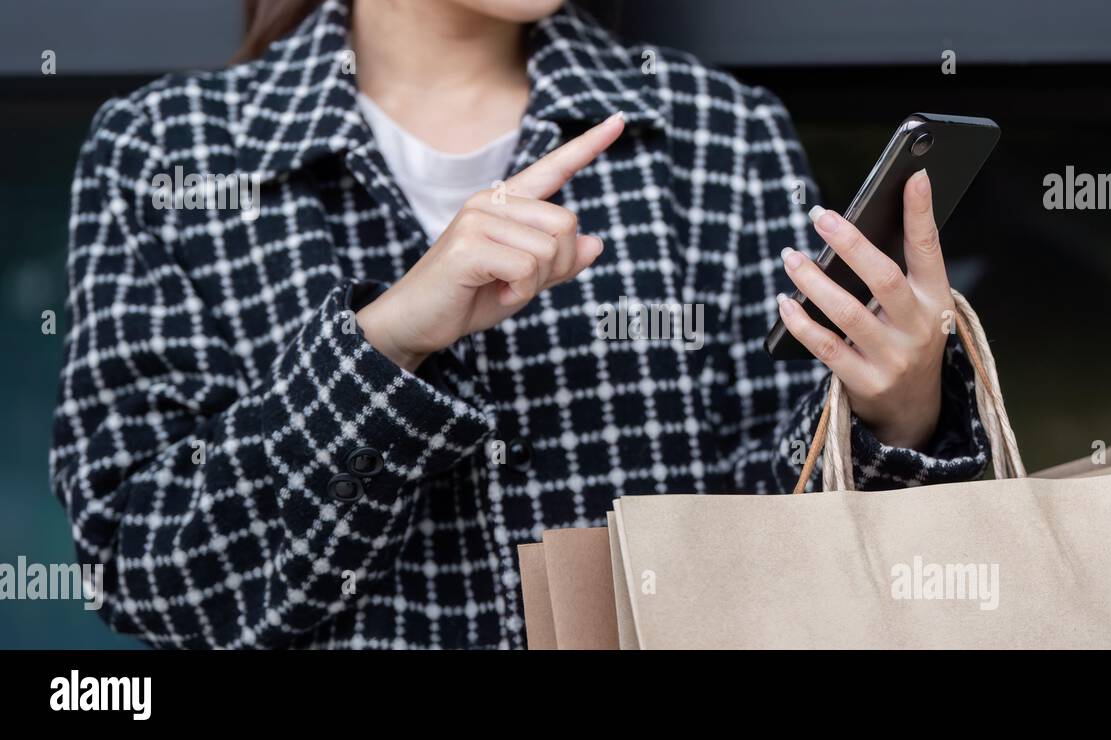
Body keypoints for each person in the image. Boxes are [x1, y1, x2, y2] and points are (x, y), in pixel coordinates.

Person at [51, 0, 988, 649]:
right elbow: (146, 574)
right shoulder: (167, 152)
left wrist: (898, 414)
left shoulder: (716, 131)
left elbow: (793, 567)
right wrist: (387, 341)